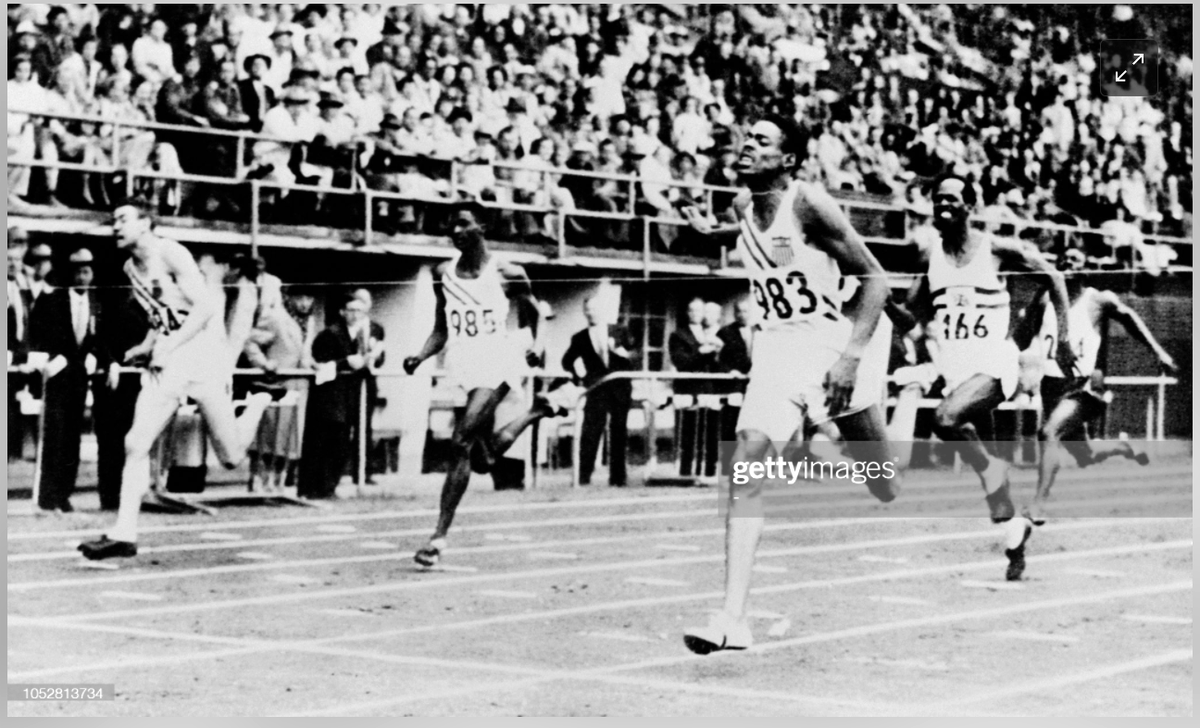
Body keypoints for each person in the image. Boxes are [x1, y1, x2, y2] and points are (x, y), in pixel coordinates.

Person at [679, 114, 900, 654]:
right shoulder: (739, 205)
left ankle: (851, 461)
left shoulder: (809, 202)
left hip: (832, 341)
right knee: (746, 470)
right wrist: (712, 233)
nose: (747, 144)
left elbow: (876, 279)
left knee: (882, 477)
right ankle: (732, 617)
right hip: (777, 349)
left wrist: (850, 357)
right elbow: (760, 237)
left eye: (762, 140)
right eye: (746, 137)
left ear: (790, 160)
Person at [895, 172, 1077, 582]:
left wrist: (1062, 337)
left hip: (996, 362)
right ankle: (1016, 539)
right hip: (958, 371)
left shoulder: (995, 249)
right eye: (937, 200)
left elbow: (1055, 277)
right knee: (989, 472)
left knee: (944, 420)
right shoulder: (930, 259)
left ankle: (996, 478)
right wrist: (871, 300)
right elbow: (910, 318)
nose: (943, 206)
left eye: (952, 200)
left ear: (969, 207)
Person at [77, 204, 275, 560]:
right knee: (135, 442)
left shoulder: (171, 252)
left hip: (201, 358)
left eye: (124, 219)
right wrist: (148, 345)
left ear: (146, 223)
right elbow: (160, 315)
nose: (115, 226)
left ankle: (258, 402)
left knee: (230, 456)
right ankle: (124, 533)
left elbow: (204, 309)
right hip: (168, 363)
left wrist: (169, 345)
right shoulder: (129, 267)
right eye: (114, 220)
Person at [403, 201, 544, 567]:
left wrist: (533, 345)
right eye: (450, 227)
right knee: (482, 459)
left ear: (482, 226)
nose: (455, 232)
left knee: (459, 441)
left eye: (463, 224)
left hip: (497, 361)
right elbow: (441, 328)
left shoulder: (508, 272)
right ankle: (534, 414)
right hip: (461, 365)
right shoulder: (442, 272)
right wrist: (419, 356)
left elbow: (532, 312)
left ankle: (437, 539)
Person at [1027, 251, 1179, 524]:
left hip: (1082, 387)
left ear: (1086, 268)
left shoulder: (1098, 299)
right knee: (1085, 455)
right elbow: (1024, 333)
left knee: (1048, 432)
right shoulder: (1044, 297)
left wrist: (1158, 352)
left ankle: (1038, 504)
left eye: (1075, 259)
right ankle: (1122, 447)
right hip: (1051, 387)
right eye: (1064, 260)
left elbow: (1130, 318)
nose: (1068, 263)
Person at [28, 248, 100, 513]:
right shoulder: (52, 300)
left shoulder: (95, 303)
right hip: (56, 378)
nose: (82, 278)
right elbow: (36, 333)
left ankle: (65, 494)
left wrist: (94, 355)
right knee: (54, 436)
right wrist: (52, 357)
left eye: (86, 272)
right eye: (77, 272)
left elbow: (97, 338)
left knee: (72, 439)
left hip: (79, 381)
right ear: (69, 275)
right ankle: (48, 496)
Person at [297, 293, 372, 499]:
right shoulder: (329, 335)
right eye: (351, 310)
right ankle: (312, 488)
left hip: (346, 400)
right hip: (327, 399)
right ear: (342, 312)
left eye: (360, 311)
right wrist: (346, 362)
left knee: (339, 445)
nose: (356, 315)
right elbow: (322, 366)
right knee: (321, 444)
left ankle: (328, 486)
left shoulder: (359, 337)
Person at [561, 295, 639, 487]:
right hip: (596, 390)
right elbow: (566, 361)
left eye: (594, 309)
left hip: (620, 388)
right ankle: (583, 477)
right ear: (584, 312)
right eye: (587, 310)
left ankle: (618, 479)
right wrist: (580, 374)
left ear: (603, 309)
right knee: (591, 432)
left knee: (619, 432)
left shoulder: (620, 331)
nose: (591, 313)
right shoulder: (579, 337)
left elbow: (636, 355)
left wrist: (625, 354)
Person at [668, 298, 720, 478]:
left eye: (700, 311)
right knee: (687, 432)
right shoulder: (678, 335)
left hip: (708, 388)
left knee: (710, 432)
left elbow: (718, 363)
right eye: (693, 311)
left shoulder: (711, 334)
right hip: (688, 388)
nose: (697, 314)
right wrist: (702, 351)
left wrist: (717, 351)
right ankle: (685, 472)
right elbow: (681, 362)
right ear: (687, 313)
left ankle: (709, 471)